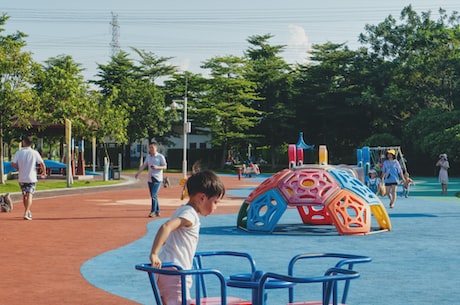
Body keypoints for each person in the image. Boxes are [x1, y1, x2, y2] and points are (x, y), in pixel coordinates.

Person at [149, 170, 225, 305]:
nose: (216, 207)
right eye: (215, 202)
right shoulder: (189, 214)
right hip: (175, 273)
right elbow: (167, 227)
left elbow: (170, 235)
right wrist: (154, 253)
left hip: (169, 270)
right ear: (202, 198)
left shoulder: (183, 210)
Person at [11, 135, 46, 220]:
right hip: (31, 177)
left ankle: (27, 210)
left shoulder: (19, 152)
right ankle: (26, 212)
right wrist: (43, 172)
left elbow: (13, 163)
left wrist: (19, 168)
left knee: (24, 195)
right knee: (29, 194)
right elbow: (41, 163)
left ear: (24, 142)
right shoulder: (34, 153)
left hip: (22, 177)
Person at [135, 141, 167, 217]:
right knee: (154, 195)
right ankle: (158, 211)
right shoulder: (148, 157)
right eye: (150, 148)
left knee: (153, 194)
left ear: (156, 148)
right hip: (150, 178)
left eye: (152, 147)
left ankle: (153, 211)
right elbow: (144, 165)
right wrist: (138, 173)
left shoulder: (160, 157)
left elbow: (165, 166)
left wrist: (157, 167)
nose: (151, 149)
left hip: (157, 178)